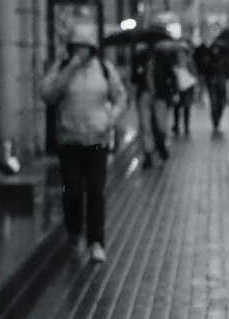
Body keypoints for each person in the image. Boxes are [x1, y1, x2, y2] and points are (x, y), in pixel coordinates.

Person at [40, 18, 127, 263]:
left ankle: (96, 241)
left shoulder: (104, 69)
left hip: (97, 139)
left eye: (85, 47)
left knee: (96, 192)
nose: (81, 51)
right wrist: (68, 68)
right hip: (70, 139)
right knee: (73, 192)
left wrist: (110, 118)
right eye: (76, 46)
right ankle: (74, 231)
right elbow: (48, 94)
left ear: (92, 48)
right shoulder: (62, 67)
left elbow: (120, 97)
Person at [132, 44, 169, 167]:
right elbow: (134, 78)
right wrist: (140, 73)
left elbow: (169, 76)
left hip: (159, 95)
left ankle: (161, 145)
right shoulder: (139, 58)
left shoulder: (163, 58)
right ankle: (148, 152)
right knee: (145, 124)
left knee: (161, 124)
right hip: (145, 94)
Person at [171, 46, 198, 137]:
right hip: (179, 87)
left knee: (185, 107)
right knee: (178, 108)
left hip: (187, 88)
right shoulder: (174, 63)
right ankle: (178, 126)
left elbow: (194, 74)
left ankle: (184, 126)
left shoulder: (189, 62)